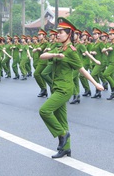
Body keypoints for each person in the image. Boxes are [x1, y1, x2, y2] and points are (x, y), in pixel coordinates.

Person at [39, 17, 104, 158]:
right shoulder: (58, 48)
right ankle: (66, 149)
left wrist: (95, 84)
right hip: (56, 87)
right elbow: (42, 56)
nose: (58, 34)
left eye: (61, 32)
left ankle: (63, 134)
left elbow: (81, 69)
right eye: (57, 32)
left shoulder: (72, 51)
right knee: (61, 119)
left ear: (69, 34)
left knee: (44, 111)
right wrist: (56, 54)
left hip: (65, 89)